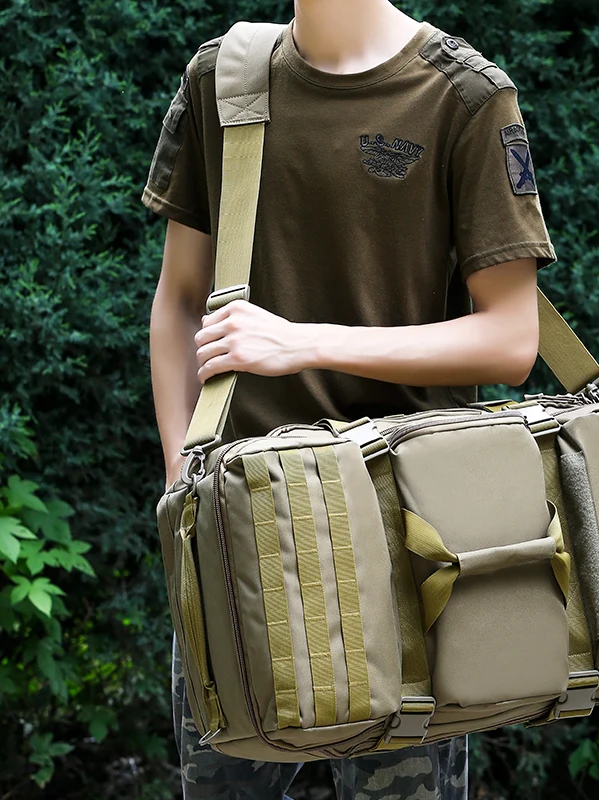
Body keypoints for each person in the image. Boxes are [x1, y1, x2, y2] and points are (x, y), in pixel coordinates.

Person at [144, 0, 557, 797]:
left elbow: (511, 340)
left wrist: (305, 341)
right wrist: (183, 488)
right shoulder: (223, 79)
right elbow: (181, 297)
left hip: (409, 551)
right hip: (239, 546)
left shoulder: (464, 95)